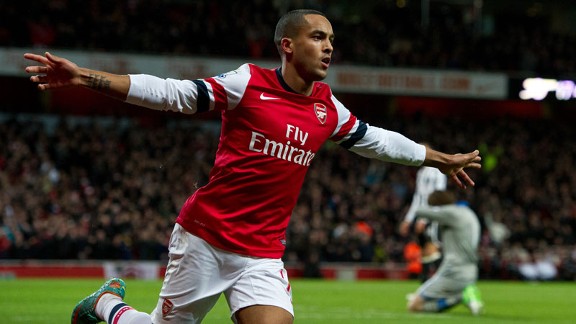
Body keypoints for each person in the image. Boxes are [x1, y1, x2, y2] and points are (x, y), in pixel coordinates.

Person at [24, 9, 481, 324]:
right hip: (205, 237)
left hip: (261, 254)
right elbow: (172, 93)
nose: (328, 48)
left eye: (332, 41)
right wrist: (84, 77)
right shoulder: (248, 83)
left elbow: (377, 141)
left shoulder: (328, 110)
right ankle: (104, 303)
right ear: (288, 45)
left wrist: (439, 158)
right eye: (318, 37)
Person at [406, 190, 484, 315]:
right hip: (471, 270)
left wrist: (421, 199)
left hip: (453, 271)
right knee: (422, 294)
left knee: (413, 306)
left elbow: (419, 211)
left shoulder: (450, 213)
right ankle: (463, 293)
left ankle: (458, 297)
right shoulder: (469, 213)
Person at [399, 160, 447, 282]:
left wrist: (425, 219)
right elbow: (417, 198)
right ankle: (425, 283)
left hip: (434, 215)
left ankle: (442, 280)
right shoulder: (421, 173)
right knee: (425, 249)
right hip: (423, 215)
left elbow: (438, 196)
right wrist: (408, 220)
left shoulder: (438, 172)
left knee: (433, 246)